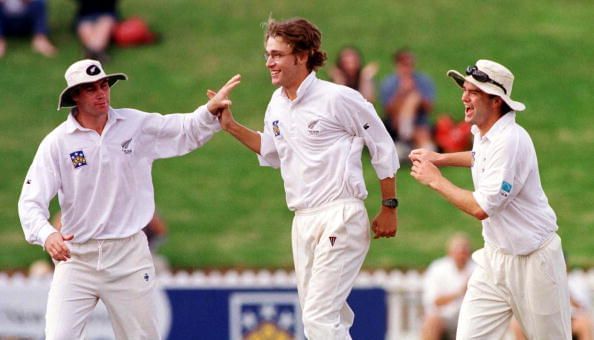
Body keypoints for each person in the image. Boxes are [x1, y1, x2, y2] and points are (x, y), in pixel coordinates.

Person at [17, 58, 240, 339]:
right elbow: (30, 202)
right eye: (91, 88)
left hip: (128, 256)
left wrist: (209, 111)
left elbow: (182, 130)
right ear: (75, 95)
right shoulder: (57, 143)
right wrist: (47, 235)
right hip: (77, 259)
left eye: (104, 85)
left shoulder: (134, 124)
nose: (101, 93)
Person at [210, 17, 399, 339]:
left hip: (340, 215)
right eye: (267, 54)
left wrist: (389, 205)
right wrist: (230, 126)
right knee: (328, 317)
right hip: (303, 220)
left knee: (318, 317)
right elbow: (271, 152)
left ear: (302, 55)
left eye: (277, 55)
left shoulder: (339, 98)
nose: (269, 62)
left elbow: (382, 145)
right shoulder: (277, 104)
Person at [409, 59, 571, 339]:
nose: (463, 97)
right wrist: (440, 157)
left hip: (535, 261)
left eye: (473, 92)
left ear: (496, 101)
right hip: (494, 258)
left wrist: (435, 179)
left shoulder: (510, 140)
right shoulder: (484, 133)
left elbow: (481, 207)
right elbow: (479, 157)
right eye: (465, 89)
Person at [380, 48, 435, 160]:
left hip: (419, 123)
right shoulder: (389, 83)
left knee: (414, 98)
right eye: (404, 64)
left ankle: (406, 138)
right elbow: (388, 111)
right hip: (396, 125)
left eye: (410, 64)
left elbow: (429, 107)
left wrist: (415, 95)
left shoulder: (422, 81)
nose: (407, 68)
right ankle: (407, 139)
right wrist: (401, 93)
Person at [421, 232, 475, 340]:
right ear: (450, 252)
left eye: (464, 252)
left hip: (471, 318)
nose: (462, 255)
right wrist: (460, 293)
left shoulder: (477, 268)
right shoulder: (437, 268)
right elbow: (434, 301)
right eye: (458, 251)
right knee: (431, 322)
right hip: (444, 318)